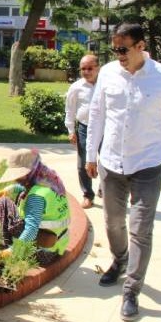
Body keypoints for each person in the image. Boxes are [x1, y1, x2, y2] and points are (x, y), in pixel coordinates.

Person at [85, 23, 161, 322]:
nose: (118, 55)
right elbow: (97, 114)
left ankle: (131, 291)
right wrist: (91, 155)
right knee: (113, 222)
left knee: (141, 229)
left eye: (123, 49)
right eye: (114, 49)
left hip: (148, 164)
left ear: (141, 46)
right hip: (111, 163)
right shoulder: (107, 73)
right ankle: (120, 259)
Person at [0, 149, 71, 266]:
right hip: (57, 246)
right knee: (11, 201)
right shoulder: (49, 179)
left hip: (40, 253)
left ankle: (5, 246)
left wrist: (12, 251)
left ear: (29, 172)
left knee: (3, 203)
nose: (16, 179)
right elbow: (32, 186)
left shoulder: (36, 197)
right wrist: (12, 188)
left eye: (19, 177)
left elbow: (31, 230)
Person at [65, 54, 100, 208]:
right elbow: (70, 110)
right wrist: (71, 130)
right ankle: (88, 195)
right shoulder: (76, 87)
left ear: (98, 68)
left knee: (108, 162)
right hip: (84, 128)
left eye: (90, 68)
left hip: (106, 128)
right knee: (83, 163)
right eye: (83, 69)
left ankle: (105, 189)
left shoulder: (106, 84)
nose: (86, 72)